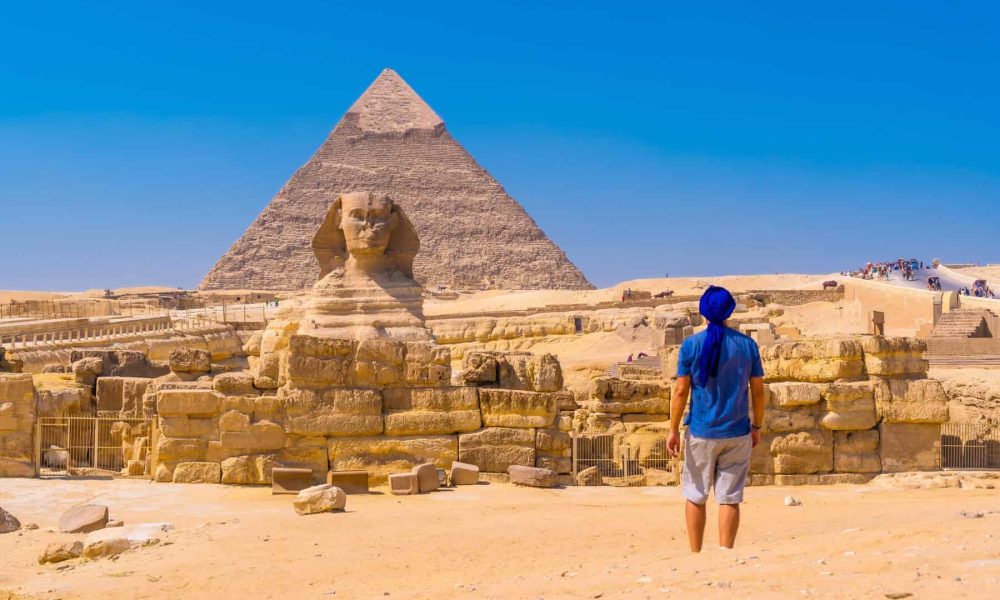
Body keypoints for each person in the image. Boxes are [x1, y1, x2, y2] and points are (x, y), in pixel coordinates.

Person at [667, 286, 766, 552]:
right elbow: (758, 392)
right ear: (729, 310)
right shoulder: (747, 345)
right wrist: (756, 426)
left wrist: (673, 429)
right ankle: (725, 555)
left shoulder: (690, 346)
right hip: (737, 432)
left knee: (695, 495)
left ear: (703, 312)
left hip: (701, 432)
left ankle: (696, 554)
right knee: (729, 497)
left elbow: (680, 391)